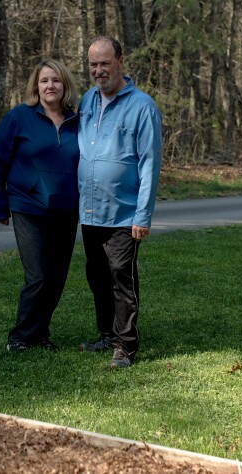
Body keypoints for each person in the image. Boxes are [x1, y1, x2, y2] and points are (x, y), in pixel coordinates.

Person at [77, 36, 162, 369]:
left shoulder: (142, 107)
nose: (99, 71)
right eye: (93, 65)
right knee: (97, 276)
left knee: (120, 277)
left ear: (120, 62)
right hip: (90, 210)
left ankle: (125, 346)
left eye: (105, 63)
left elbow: (150, 164)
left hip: (125, 214)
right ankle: (106, 334)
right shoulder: (86, 101)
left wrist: (142, 216)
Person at [0, 59, 80, 352]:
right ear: (35, 86)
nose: (49, 86)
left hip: (66, 210)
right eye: (44, 81)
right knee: (38, 275)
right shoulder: (19, 117)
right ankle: (19, 336)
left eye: (55, 80)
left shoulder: (78, 121)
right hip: (28, 206)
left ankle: (40, 333)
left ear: (64, 85)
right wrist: (0, 206)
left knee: (56, 277)